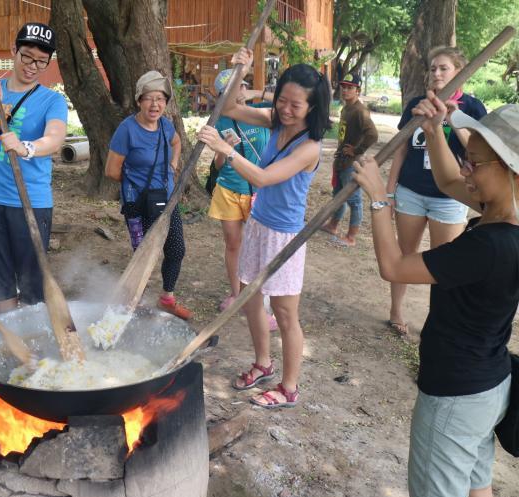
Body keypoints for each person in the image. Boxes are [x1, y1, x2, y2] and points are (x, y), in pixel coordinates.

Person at [353, 96, 518, 497]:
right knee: (474, 482)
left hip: (454, 394)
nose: (467, 169)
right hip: (488, 384)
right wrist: (433, 129)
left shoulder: (487, 246)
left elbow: (393, 266)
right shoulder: (507, 213)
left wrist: (377, 198)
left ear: (509, 170)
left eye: (477, 163)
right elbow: (447, 180)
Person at [198, 49, 331, 407]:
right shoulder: (275, 121)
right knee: (249, 298)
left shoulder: (310, 147)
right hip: (258, 225)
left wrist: (225, 148)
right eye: (282, 101)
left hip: (285, 236)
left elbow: (262, 177)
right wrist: (240, 69)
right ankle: (262, 362)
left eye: (296, 105)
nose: (286, 110)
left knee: (286, 314)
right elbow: (228, 108)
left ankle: (289, 388)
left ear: (313, 108)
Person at [0, 22, 68, 313]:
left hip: (31, 203)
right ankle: (12, 341)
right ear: (14, 50)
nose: (33, 66)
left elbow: (56, 138)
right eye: (27, 56)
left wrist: (27, 148)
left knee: (32, 283)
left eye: (41, 61)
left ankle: (33, 342)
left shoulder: (52, 100)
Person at [384, 47, 486, 337]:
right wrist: (390, 192)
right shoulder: (418, 103)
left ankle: (437, 321)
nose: (436, 74)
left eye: (443, 68)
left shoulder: (473, 108)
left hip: (451, 197)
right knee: (405, 255)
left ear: (459, 72)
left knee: (444, 265)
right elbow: (402, 149)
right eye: (432, 68)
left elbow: (476, 152)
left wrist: (453, 118)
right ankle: (395, 311)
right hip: (411, 192)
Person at [105, 71, 191, 320]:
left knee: (176, 249)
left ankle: (167, 298)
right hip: (138, 204)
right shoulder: (127, 130)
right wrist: (135, 183)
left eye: (160, 99)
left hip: (166, 198)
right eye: (149, 98)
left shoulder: (165, 125)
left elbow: (176, 143)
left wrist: (173, 166)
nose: (155, 105)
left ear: (166, 102)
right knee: (143, 256)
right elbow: (112, 170)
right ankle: (133, 303)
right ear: (139, 100)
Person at [208, 69, 278, 332]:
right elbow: (218, 163)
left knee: (261, 246)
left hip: (258, 191)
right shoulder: (219, 120)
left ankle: (264, 304)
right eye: (229, 90)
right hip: (228, 188)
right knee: (233, 244)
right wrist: (221, 148)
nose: (236, 93)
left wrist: (257, 92)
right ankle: (236, 294)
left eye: (240, 87)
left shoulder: (262, 113)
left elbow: (284, 102)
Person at [320, 72, 378, 246]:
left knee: (354, 200)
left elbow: (372, 134)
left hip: (352, 163)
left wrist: (357, 150)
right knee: (338, 195)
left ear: (357, 90)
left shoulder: (360, 111)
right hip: (342, 160)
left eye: (350, 88)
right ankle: (333, 225)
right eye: (343, 87)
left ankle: (351, 236)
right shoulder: (346, 108)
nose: (345, 90)